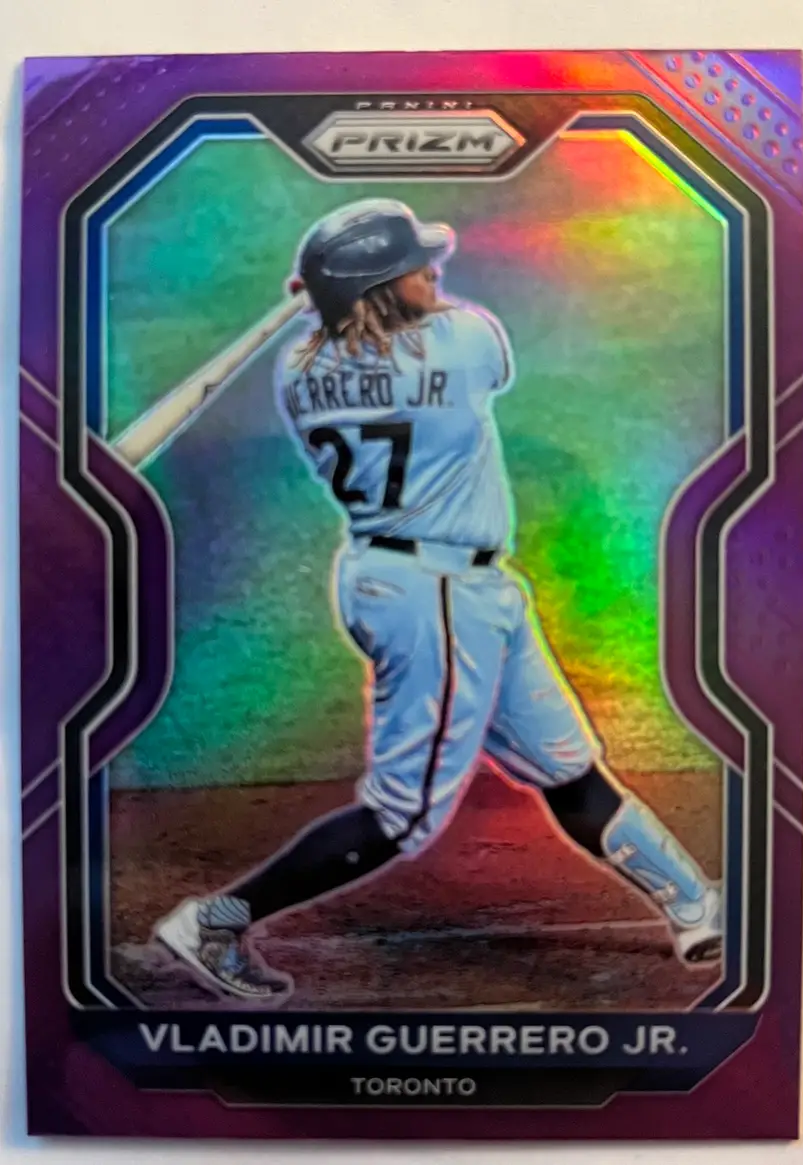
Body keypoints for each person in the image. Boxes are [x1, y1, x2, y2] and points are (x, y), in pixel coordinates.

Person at [155, 198, 722, 1000]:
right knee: (403, 813)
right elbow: (478, 359)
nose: (434, 269)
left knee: (565, 764)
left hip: (427, 581)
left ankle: (695, 904)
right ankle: (217, 920)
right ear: (378, 285)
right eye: (413, 263)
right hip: (439, 597)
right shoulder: (465, 340)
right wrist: (338, 295)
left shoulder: (298, 370)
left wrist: (331, 300)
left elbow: (362, 346)